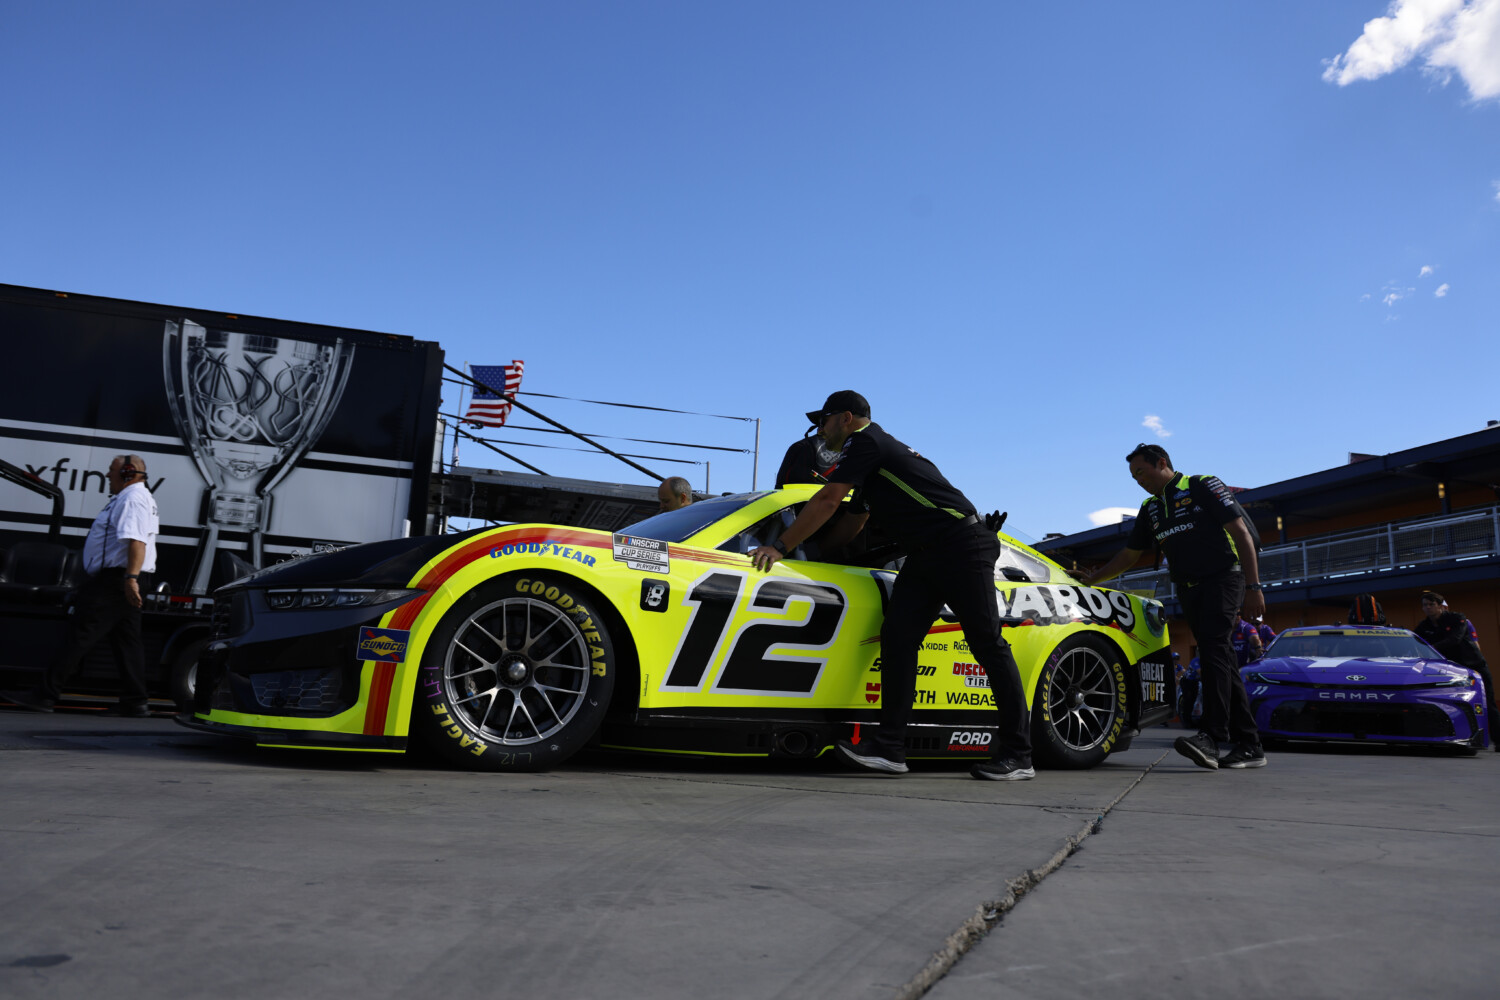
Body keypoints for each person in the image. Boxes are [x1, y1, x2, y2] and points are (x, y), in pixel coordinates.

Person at [748, 391, 1033, 780]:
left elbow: (829, 500)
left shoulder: (865, 442)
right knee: (898, 640)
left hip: (962, 544)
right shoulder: (868, 458)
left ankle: (1020, 755)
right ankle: (890, 749)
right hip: (926, 553)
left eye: (824, 421)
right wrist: (814, 556)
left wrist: (781, 546)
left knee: (987, 644)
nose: (819, 430)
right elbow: (854, 523)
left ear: (846, 418)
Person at [1077, 444, 1267, 770]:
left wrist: (1253, 587)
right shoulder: (1150, 507)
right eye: (1133, 476)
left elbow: (1241, 532)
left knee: (1213, 651)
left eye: (1141, 472)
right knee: (1217, 655)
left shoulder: (1202, 484)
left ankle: (1210, 736)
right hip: (1188, 588)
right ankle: (1250, 744)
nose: (1138, 480)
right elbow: (1130, 554)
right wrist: (1093, 578)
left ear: (1161, 463)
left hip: (1225, 579)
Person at [4, 455, 160, 716]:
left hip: (117, 580)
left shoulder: (133, 499)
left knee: (80, 634)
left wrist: (130, 579)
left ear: (127, 473)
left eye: (111, 471)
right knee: (127, 642)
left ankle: (44, 695)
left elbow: (137, 542)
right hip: (121, 579)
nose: (107, 475)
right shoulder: (132, 497)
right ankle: (136, 701)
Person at [1414, 591, 1498, 751]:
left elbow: (1455, 639)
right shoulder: (1423, 626)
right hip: (1449, 672)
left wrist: (1430, 649)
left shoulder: (1458, 618)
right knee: (1452, 703)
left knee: (1488, 704)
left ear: (1440, 606)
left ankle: (1498, 741)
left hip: (1474, 667)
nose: (1428, 608)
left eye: (1431, 604)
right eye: (1425, 605)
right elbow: (1415, 642)